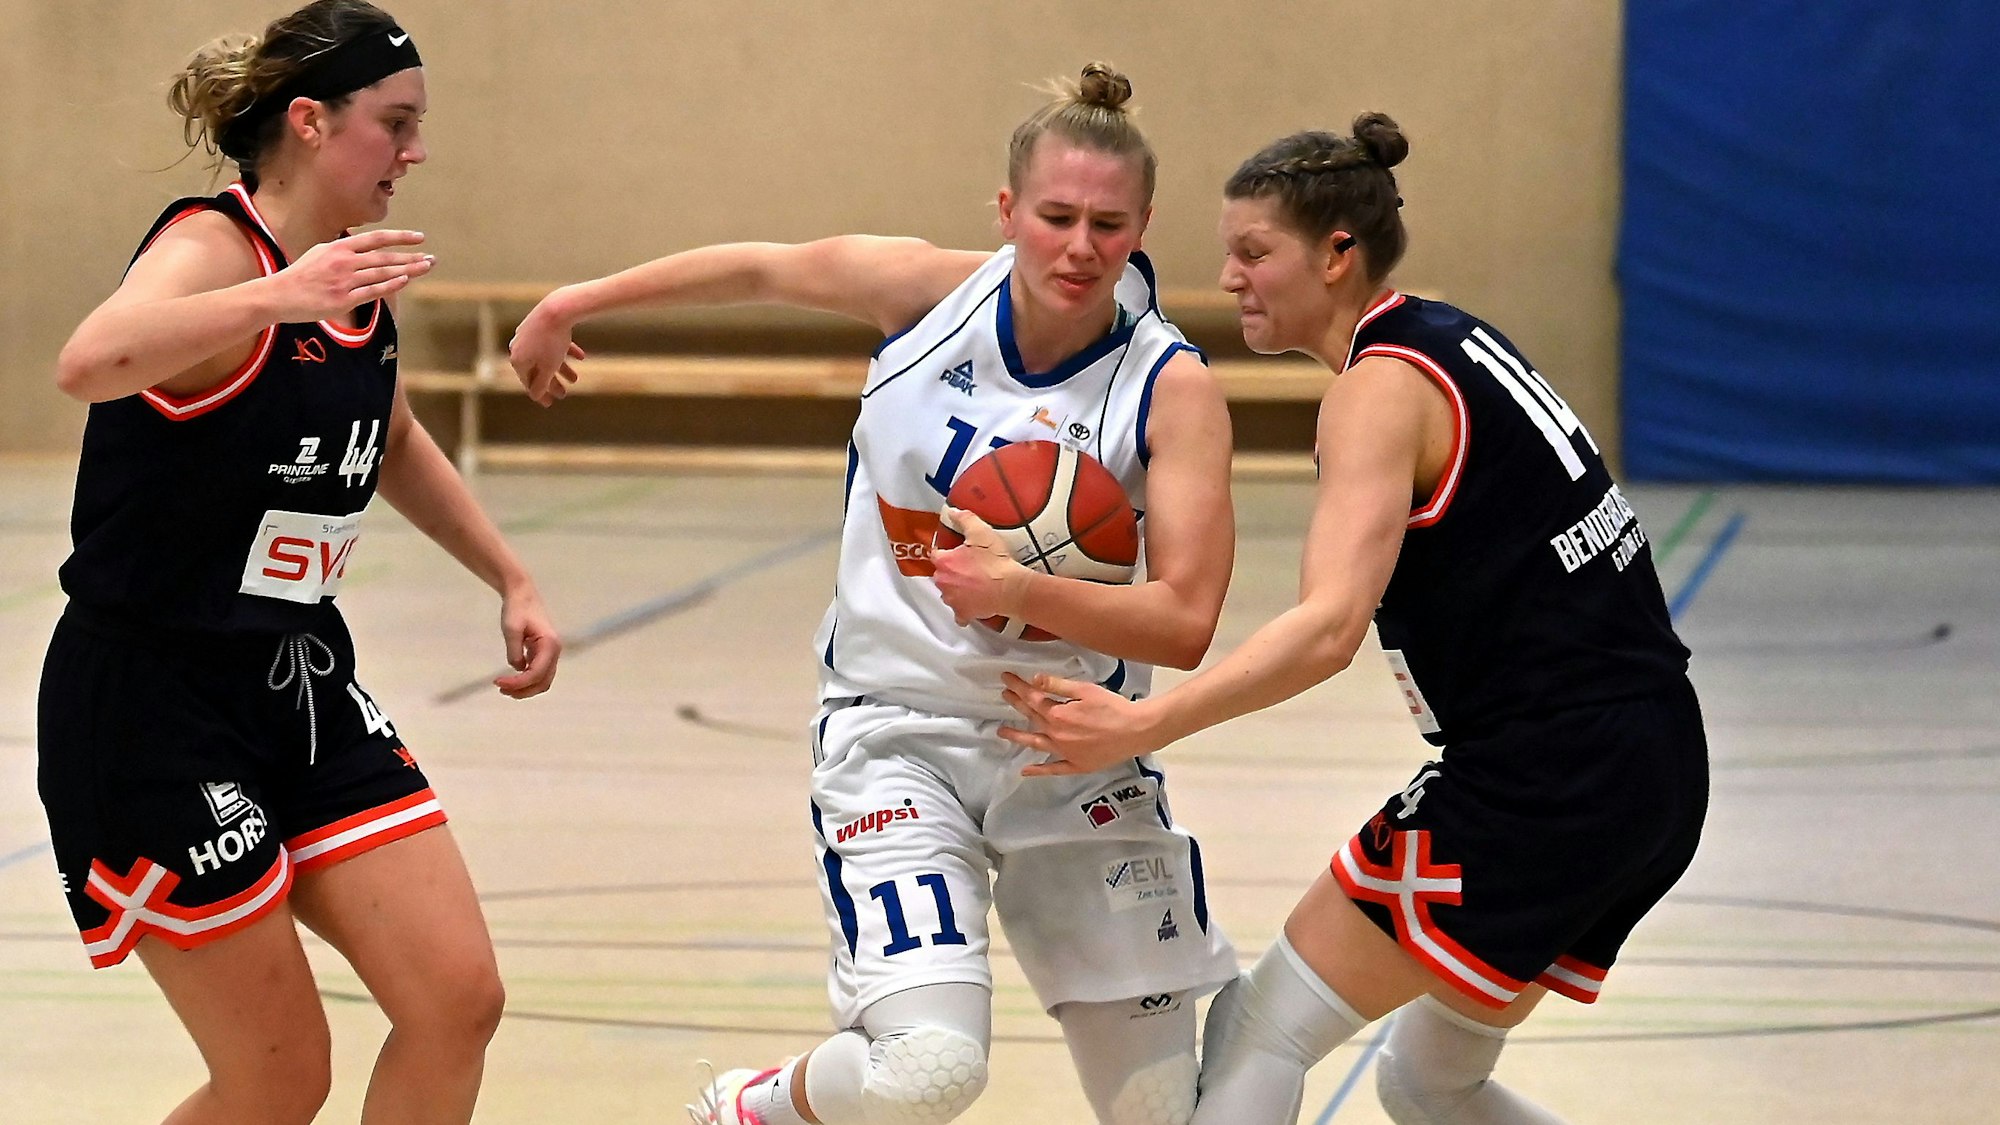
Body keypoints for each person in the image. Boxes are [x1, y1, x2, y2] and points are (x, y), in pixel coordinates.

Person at [511, 63, 1238, 1125]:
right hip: (896, 733)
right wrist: (571, 303)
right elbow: (760, 266)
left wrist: (1019, 589)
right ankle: (746, 1110)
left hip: (1073, 745)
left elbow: (1183, 622)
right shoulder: (927, 295)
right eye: (1055, 217)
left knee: (1164, 1112)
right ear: (1007, 211)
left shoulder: (1169, 386)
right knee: (926, 1070)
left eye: (1107, 224)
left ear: (1143, 228)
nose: (1080, 247)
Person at [998, 113, 1708, 1125]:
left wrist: (1146, 722)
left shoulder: (1377, 391)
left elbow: (1328, 628)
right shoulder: (1450, 334)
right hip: (1653, 762)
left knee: (1260, 1029)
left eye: (1254, 253)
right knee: (1428, 1082)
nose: (1230, 277)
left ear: (1337, 253)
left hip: (1548, 776)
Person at [40, 4, 562, 1123]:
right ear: (313, 122)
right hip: (150, 705)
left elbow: (393, 434)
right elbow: (89, 362)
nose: (416, 151)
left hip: (297, 680)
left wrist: (508, 575)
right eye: (396, 123)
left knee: (456, 999)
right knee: (278, 1076)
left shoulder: (350, 273)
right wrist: (282, 295)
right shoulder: (213, 248)